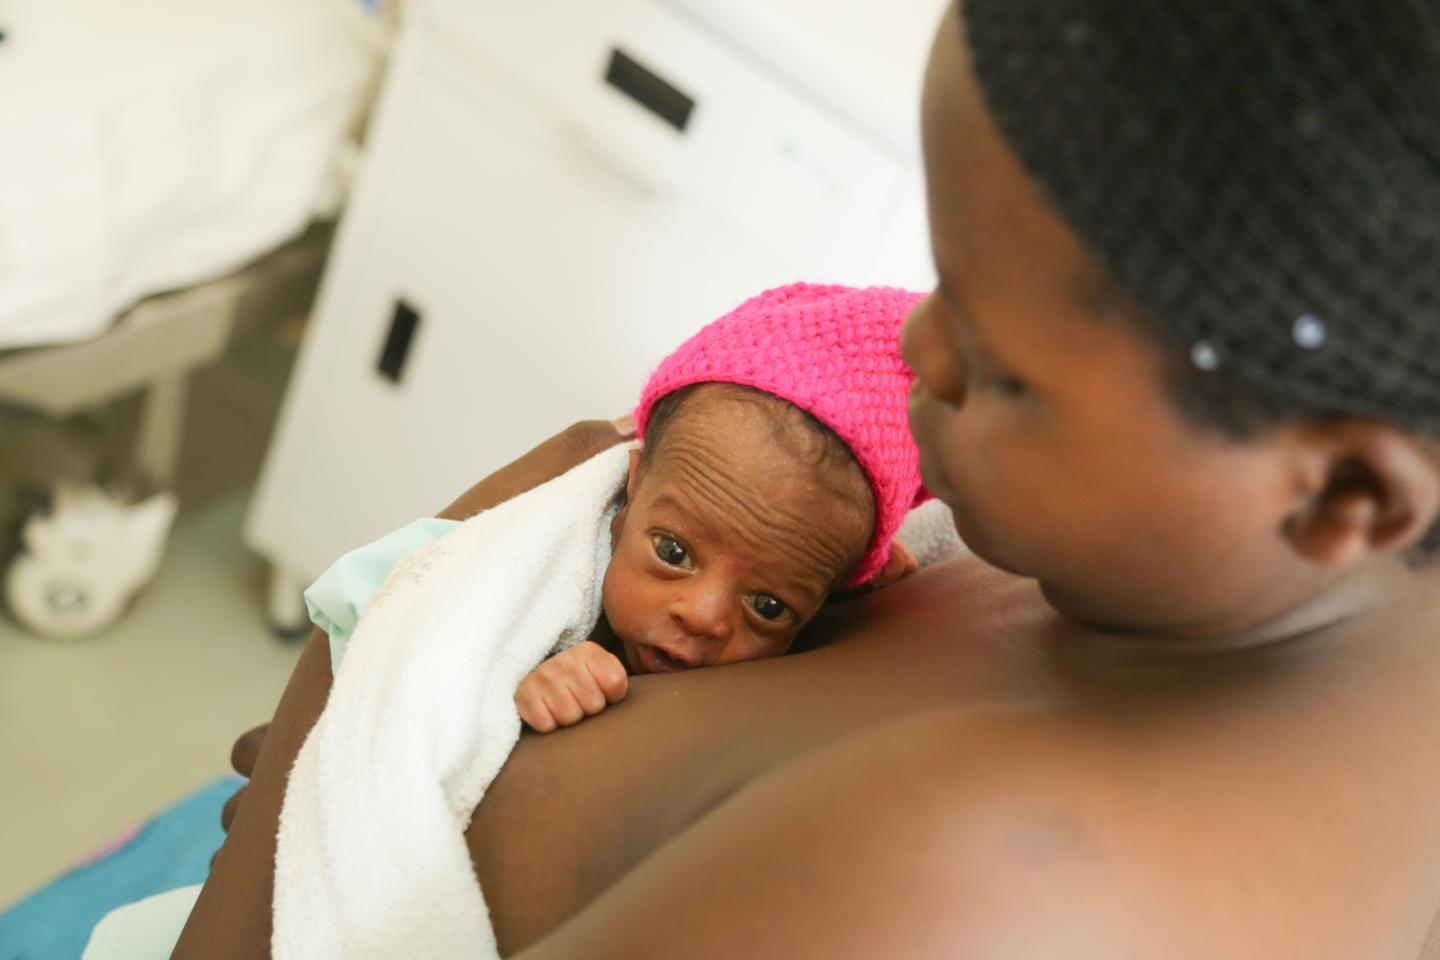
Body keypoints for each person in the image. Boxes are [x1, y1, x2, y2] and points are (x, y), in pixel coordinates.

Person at [175, 1, 1440, 956]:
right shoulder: (1136, 567)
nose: (917, 348)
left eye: (998, 368)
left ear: (1346, 497)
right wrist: (378, 693)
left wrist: (311, 766)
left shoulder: (982, 889)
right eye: (943, 282)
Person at [515, 283, 925, 732]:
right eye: (673, 553)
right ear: (632, 488)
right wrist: (535, 684)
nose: (702, 616)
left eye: (768, 607)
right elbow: (471, 652)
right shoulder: (544, 590)